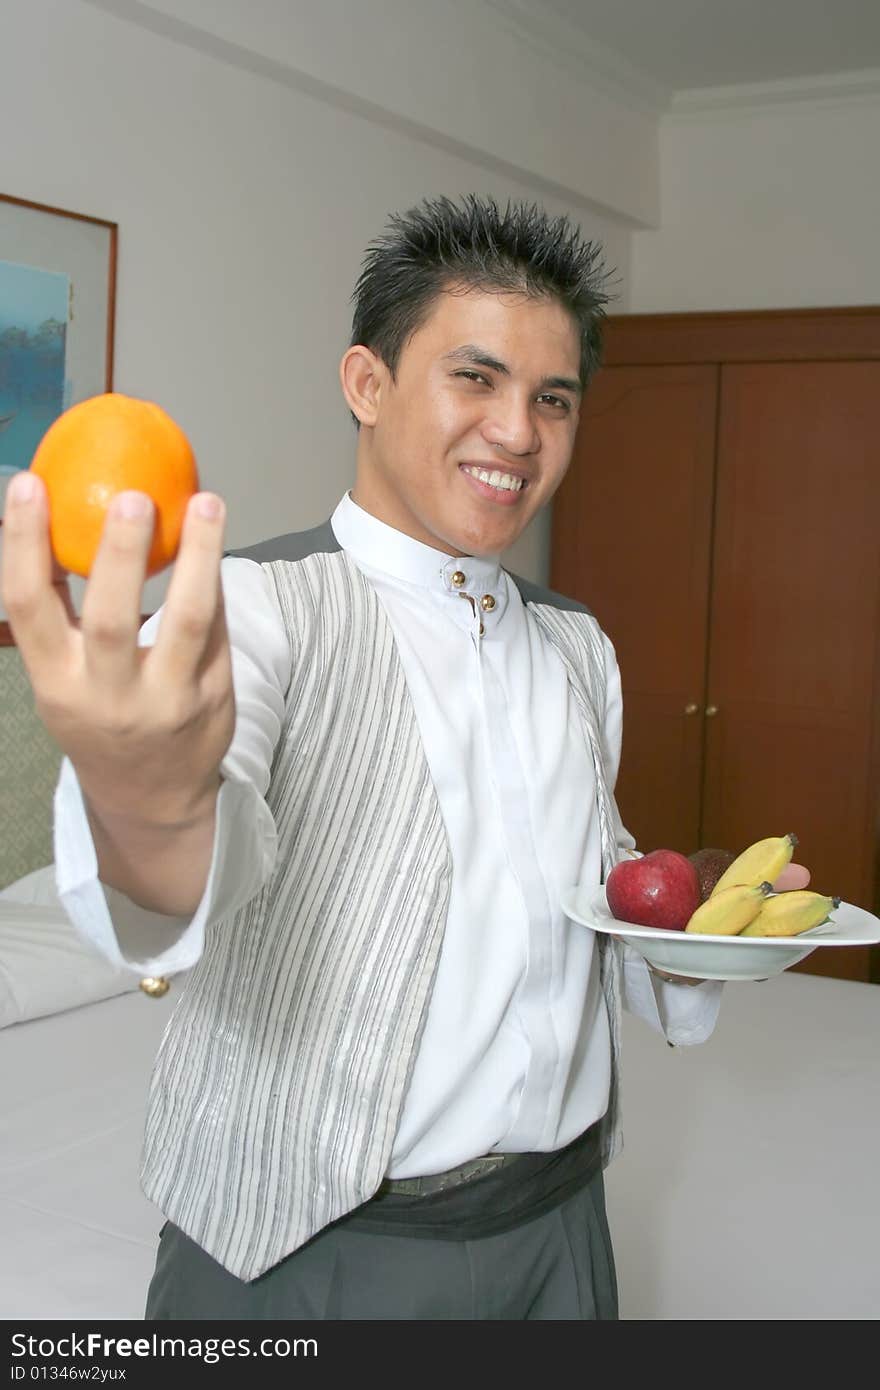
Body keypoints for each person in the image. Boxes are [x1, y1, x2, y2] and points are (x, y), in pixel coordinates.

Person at [0, 195, 806, 1321]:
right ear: (366, 385)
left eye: (552, 397)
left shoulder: (577, 644)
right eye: (473, 378)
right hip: (305, 1249)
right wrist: (146, 804)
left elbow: (576, 892)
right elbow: (181, 884)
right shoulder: (251, 614)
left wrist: (684, 933)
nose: (518, 431)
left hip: (562, 1229)